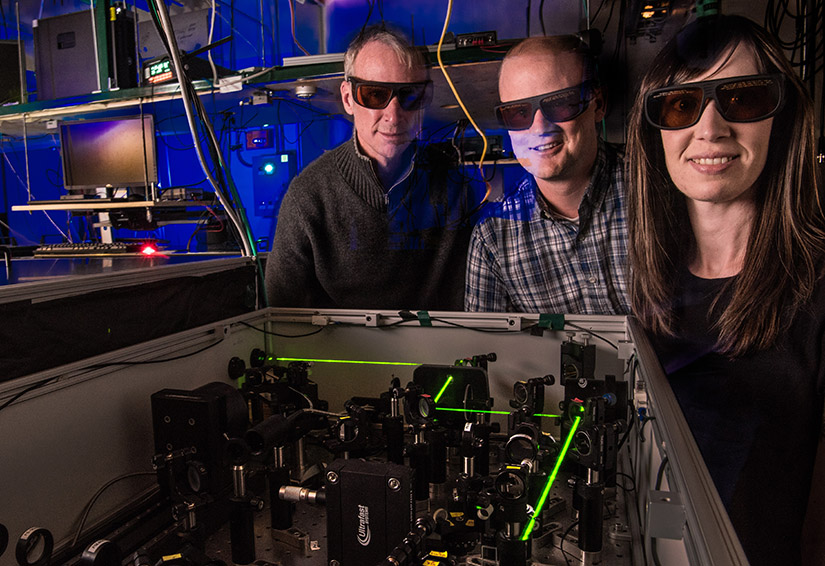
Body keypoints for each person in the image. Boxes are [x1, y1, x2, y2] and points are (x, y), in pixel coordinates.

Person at [627, 15, 825, 566]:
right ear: (656, 131)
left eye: (741, 98)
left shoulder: (818, 287)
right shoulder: (648, 285)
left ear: (780, 120)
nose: (709, 129)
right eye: (680, 105)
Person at [266, 25, 478, 310]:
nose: (394, 115)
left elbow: (471, 313)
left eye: (410, 95)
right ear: (347, 98)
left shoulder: (457, 189)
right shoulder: (308, 198)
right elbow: (283, 322)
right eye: (375, 94)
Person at [464, 35, 629, 314]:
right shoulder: (493, 238)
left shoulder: (655, 188)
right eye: (518, 112)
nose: (540, 126)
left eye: (561, 103)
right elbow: (486, 352)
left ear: (598, 104)